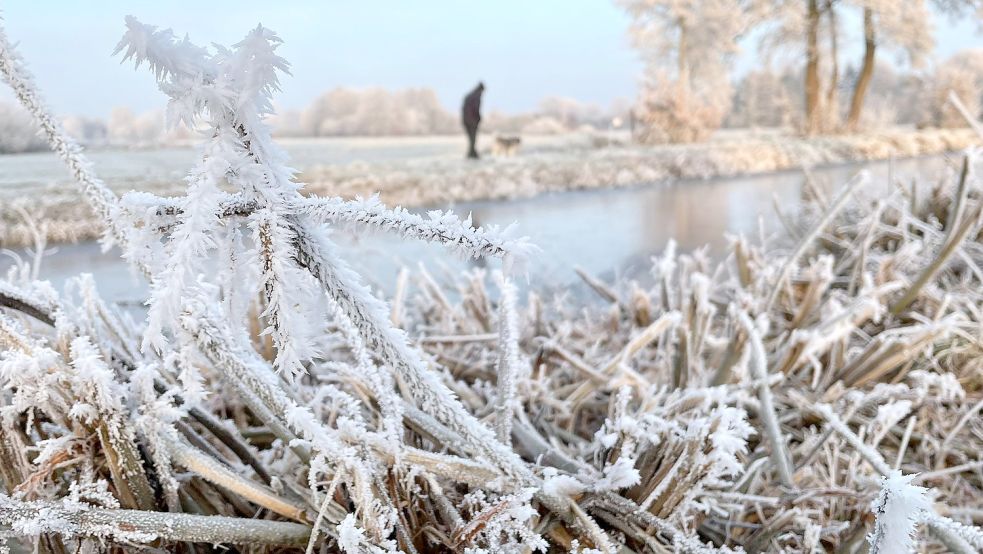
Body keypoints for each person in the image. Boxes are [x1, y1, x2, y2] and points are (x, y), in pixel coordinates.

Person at [461, 82, 484, 159]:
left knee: (471, 138)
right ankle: (472, 153)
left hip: (465, 120)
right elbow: (476, 109)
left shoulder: (469, 96)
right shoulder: (476, 96)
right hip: (472, 121)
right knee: (473, 138)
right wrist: (478, 118)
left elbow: (464, 109)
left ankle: (472, 152)